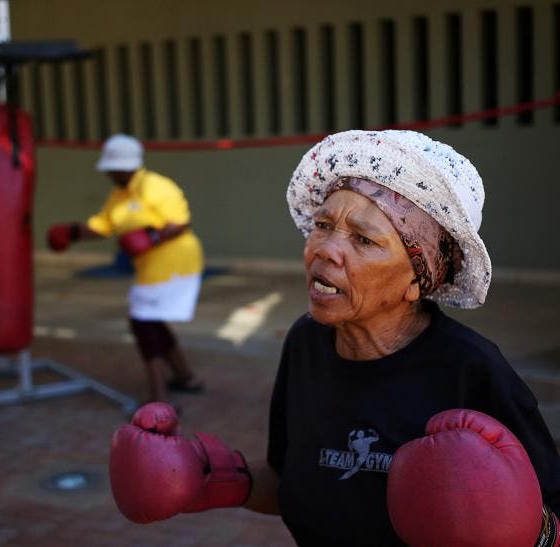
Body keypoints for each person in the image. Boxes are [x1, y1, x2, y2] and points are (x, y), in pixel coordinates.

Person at [108, 130, 560, 545]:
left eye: (363, 239)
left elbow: (549, 518)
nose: (324, 249)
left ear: (417, 281)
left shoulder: (474, 371)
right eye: (324, 226)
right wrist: (210, 479)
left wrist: (525, 530)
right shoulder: (307, 342)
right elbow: (290, 481)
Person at [46, 134, 205, 404]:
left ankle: (160, 399)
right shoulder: (118, 196)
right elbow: (103, 226)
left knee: (143, 322)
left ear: (126, 165)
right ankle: (186, 377)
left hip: (176, 263)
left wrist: (151, 237)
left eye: (112, 168)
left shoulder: (156, 186)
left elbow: (181, 222)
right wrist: (72, 232)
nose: (108, 173)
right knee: (150, 321)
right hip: (151, 267)